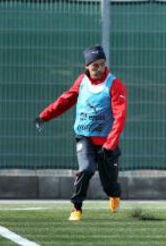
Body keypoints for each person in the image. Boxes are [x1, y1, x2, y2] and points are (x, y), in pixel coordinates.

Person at [34, 45, 128, 221]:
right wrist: (44, 116)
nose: (98, 68)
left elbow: (120, 117)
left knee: (109, 184)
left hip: (107, 142)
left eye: (101, 64)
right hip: (84, 137)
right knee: (86, 169)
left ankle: (114, 195)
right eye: (94, 65)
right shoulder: (81, 82)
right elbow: (66, 100)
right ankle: (76, 208)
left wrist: (110, 143)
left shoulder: (115, 85)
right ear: (87, 66)